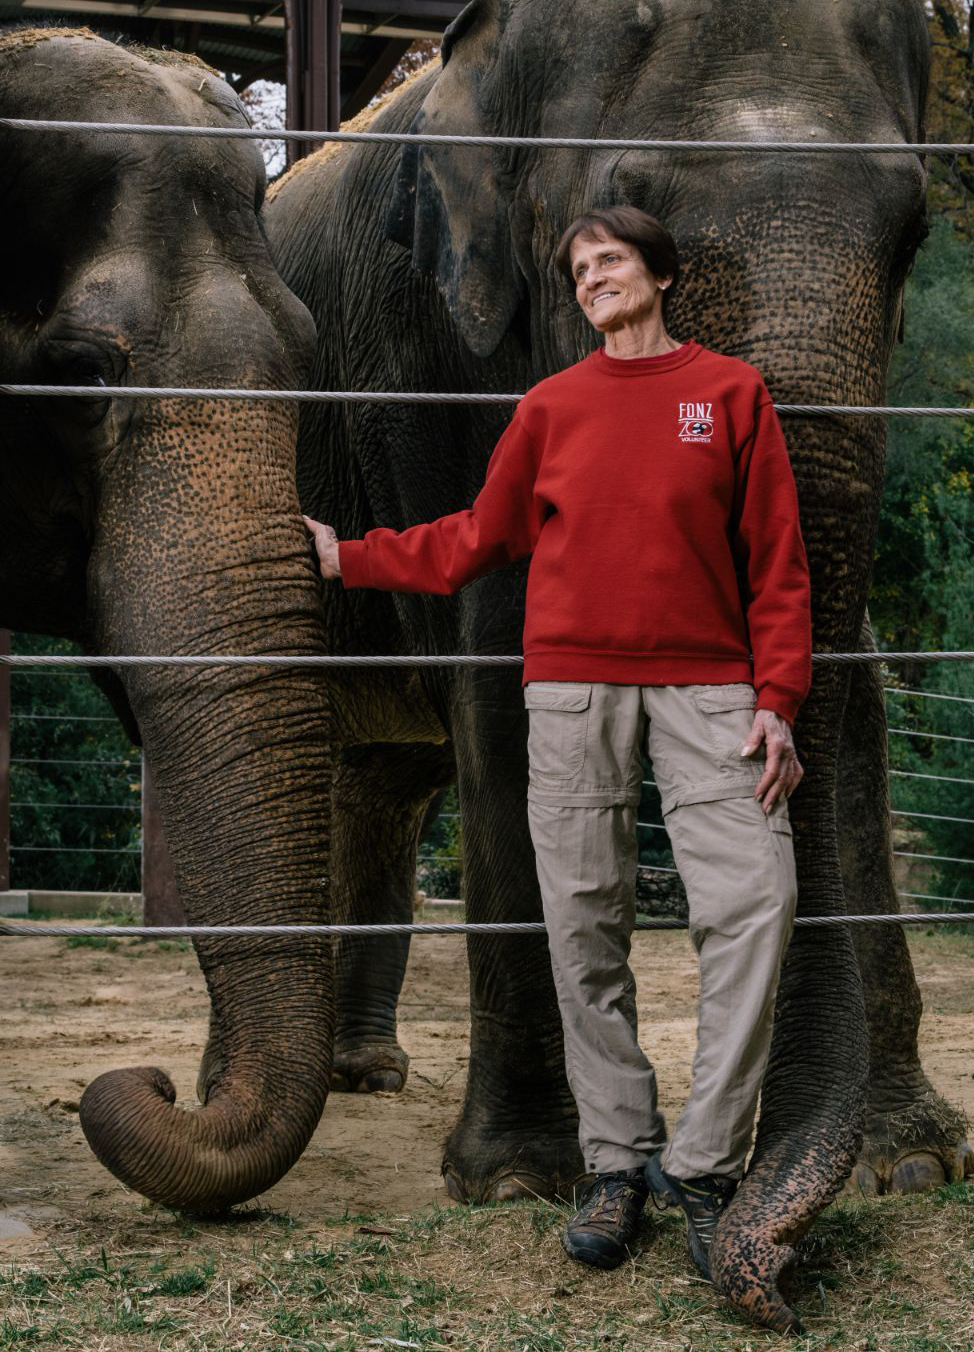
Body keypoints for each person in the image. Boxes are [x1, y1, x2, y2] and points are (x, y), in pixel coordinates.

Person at [305, 204, 810, 1282]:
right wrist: (351, 560)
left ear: (661, 274)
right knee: (583, 929)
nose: (592, 280)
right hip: (573, 694)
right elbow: (473, 542)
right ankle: (618, 1162)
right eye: (579, 269)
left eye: (611, 261)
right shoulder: (551, 405)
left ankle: (706, 1167)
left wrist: (779, 697)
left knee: (755, 904)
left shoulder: (729, 394)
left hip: (712, 694)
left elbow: (777, 560)